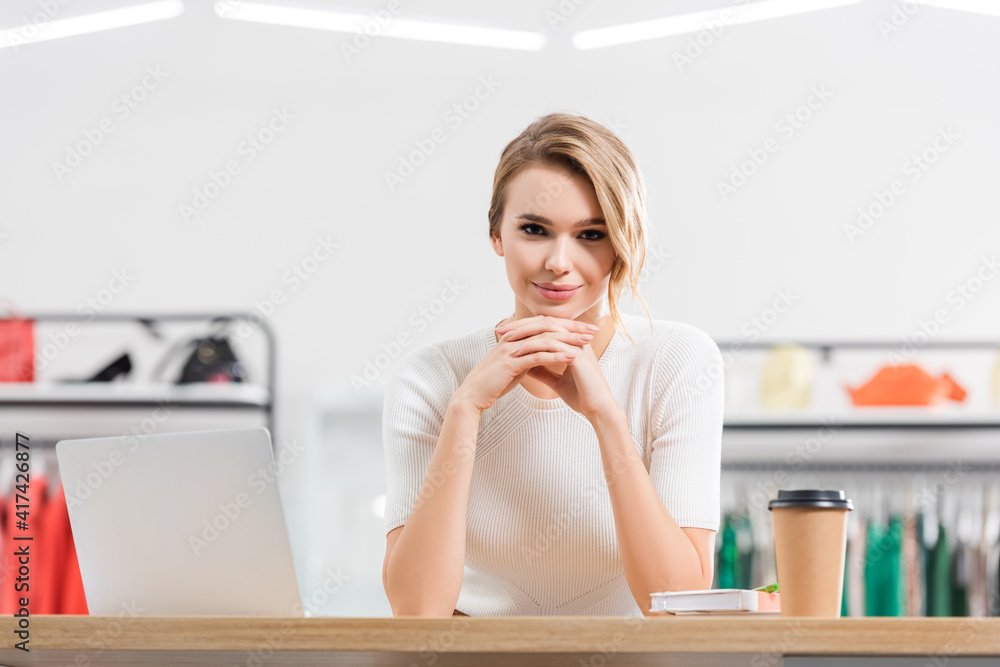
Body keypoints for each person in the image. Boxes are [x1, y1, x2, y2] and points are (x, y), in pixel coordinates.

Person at [381, 112, 724, 617]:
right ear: (497, 234)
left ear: (621, 242)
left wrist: (605, 415)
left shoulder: (679, 362)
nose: (559, 262)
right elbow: (416, 612)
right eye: (535, 229)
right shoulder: (429, 377)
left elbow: (673, 603)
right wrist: (466, 411)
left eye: (591, 234)